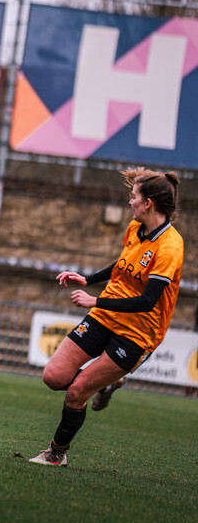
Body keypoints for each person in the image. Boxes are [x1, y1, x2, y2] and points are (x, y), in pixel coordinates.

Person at [30, 168, 182, 467]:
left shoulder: (170, 247)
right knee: (54, 377)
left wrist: (94, 300)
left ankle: (55, 453)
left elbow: (148, 301)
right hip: (105, 316)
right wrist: (89, 279)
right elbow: (123, 262)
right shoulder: (136, 229)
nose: (130, 202)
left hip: (138, 333)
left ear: (148, 203)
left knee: (76, 392)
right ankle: (104, 385)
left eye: (133, 196)